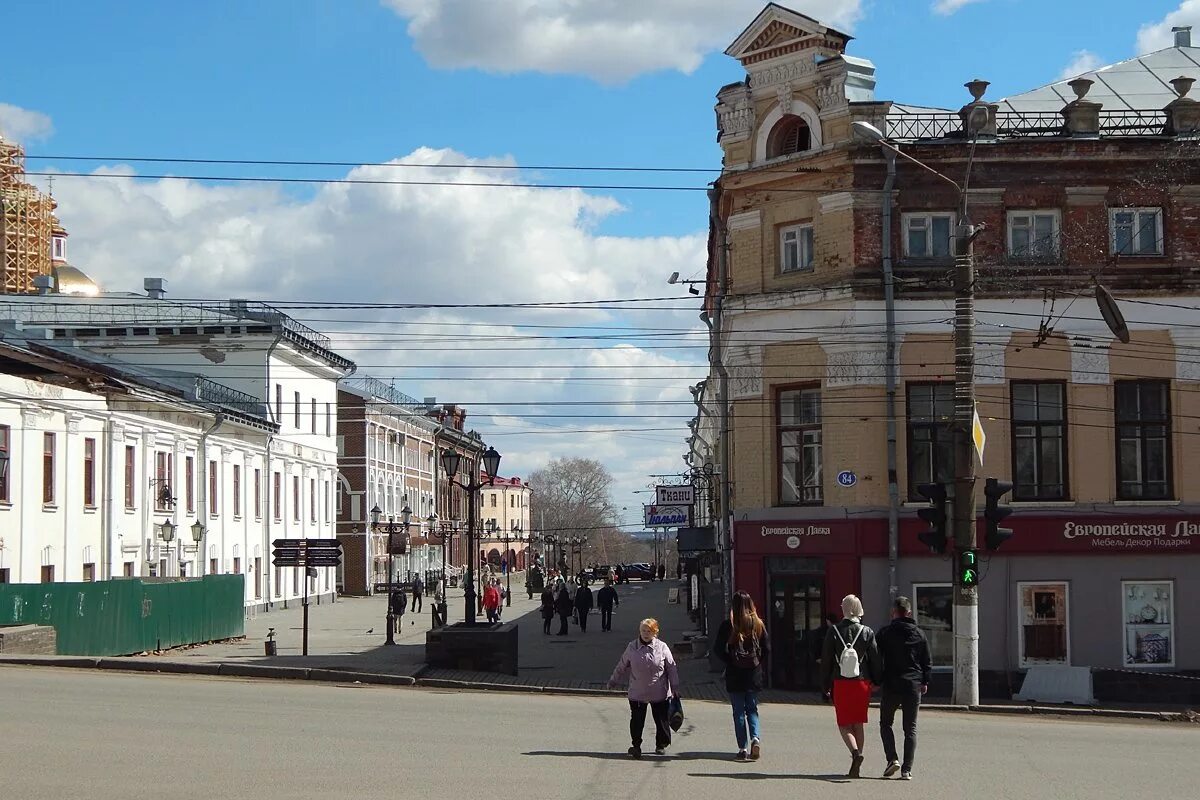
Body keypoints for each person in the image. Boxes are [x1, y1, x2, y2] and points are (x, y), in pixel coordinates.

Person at [819, 594, 882, 779]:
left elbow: (826, 660)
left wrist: (825, 685)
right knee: (858, 722)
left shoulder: (834, 631)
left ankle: (855, 753)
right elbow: (876, 659)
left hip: (841, 682)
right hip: (862, 682)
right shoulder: (867, 631)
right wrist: (877, 681)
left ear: (844, 609)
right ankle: (858, 759)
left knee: (843, 723)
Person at [607, 618, 681, 758]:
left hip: (659, 691)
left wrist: (675, 687)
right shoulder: (632, 647)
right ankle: (636, 745)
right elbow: (621, 665)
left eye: (649, 631)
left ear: (655, 632)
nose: (645, 634)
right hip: (637, 692)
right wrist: (613, 680)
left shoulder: (662, 647)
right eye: (643, 631)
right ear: (639, 631)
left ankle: (661, 744)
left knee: (661, 720)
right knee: (636, 720)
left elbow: (671, 668)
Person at [876, 596, 931, 781]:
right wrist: (925, 681)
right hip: (913, 686)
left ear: (893, 612)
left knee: (885, 724)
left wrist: (876, 678)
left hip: (891, 684)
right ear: (909, 613)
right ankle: (906, 770)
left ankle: (892, 759)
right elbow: (926, 660)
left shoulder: (885, 633)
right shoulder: (919, 633)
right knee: (910, 729)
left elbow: (875, 657)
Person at [714, 590, 770, 762]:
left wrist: (729, 660)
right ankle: (755, 738)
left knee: (738, 711)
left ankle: (742, 748)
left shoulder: (728, 625)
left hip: (735, 673)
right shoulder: (758, 624)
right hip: (753, 673)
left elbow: (717, 649)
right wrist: (757, 662)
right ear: (751, 604)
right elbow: (766, 648)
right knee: (752, 709)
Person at [812, 612, 839, 702]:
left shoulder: (823, 632)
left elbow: (816, 645)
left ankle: (827, 695)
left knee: (826, 677)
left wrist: (817, 657)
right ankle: (828, 695)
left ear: (828, 621)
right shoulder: (837, 630)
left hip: (826, 658)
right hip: (832, 658)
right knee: (830, 677)